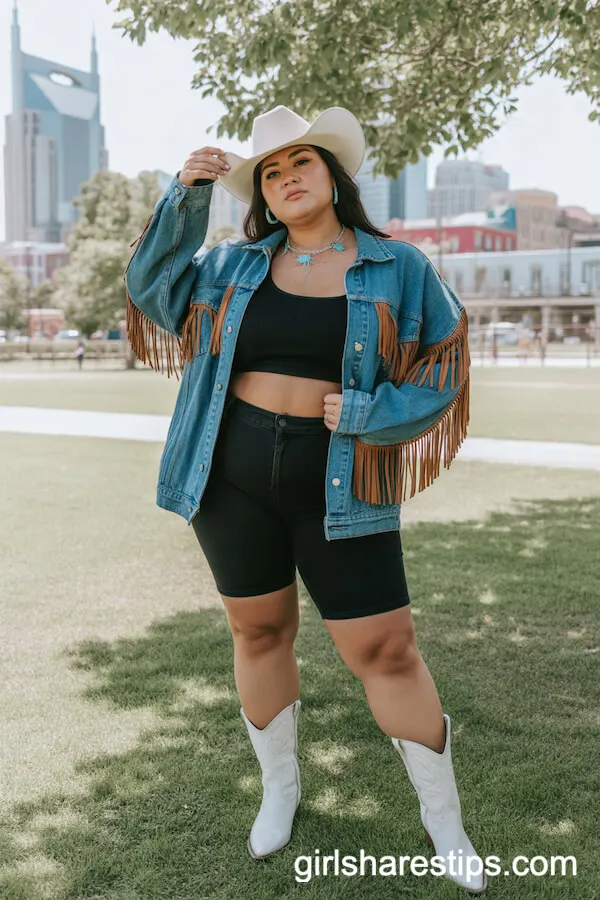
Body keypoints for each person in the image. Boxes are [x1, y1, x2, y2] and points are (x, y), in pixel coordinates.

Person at [124, 106, 485, 894]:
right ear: (262, 192)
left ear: (333, 177)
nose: (288, 179)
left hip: (342, 476)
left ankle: (444, 823)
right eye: (273, 172)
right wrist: (185, 197)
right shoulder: (230, 266)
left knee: (386, 649)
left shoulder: (397, 266)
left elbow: (445, 362)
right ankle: (281, 791)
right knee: (259, 630)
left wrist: (368, 414)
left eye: (303, 165)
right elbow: (152, 289)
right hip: (229, 473)